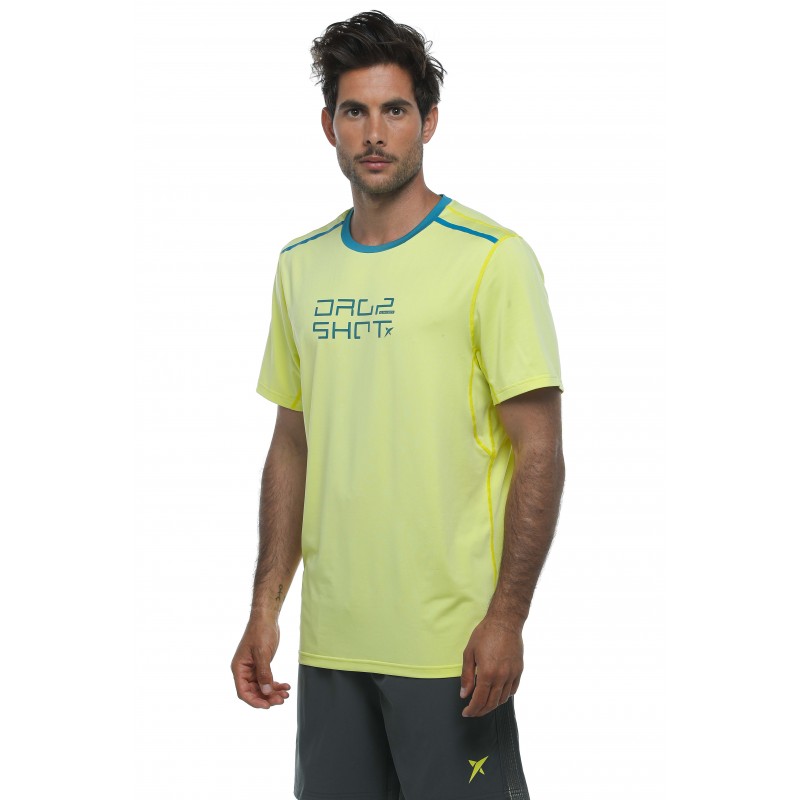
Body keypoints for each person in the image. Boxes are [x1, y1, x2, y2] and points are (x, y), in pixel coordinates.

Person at [231, 10, 566, 800]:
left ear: (429, 121)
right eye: (355, 111)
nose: (375, 133)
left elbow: (541, 451)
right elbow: (292, 443)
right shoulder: (300, 266)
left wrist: (507, 618)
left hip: (451, 650)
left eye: (395, 110)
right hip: (332, 646)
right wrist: (265, 608)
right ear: (329, 125)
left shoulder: (492, 259)